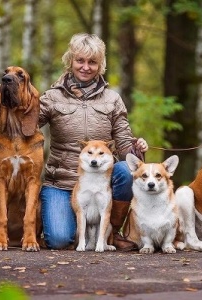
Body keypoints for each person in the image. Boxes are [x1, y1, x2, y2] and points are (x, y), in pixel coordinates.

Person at [39, 33, 148, 250]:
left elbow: (124, 141)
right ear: (71, 60)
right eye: (80, 60)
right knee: (59, 240)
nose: (85, 67)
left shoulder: (112, 99)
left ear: (101, 65)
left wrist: (137, 148)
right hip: (62, 183)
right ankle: (64, 226)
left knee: (127, 170)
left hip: (101, 182)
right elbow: (28, 127)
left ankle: (111, 233)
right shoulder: (52, 97)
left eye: (92, 62)